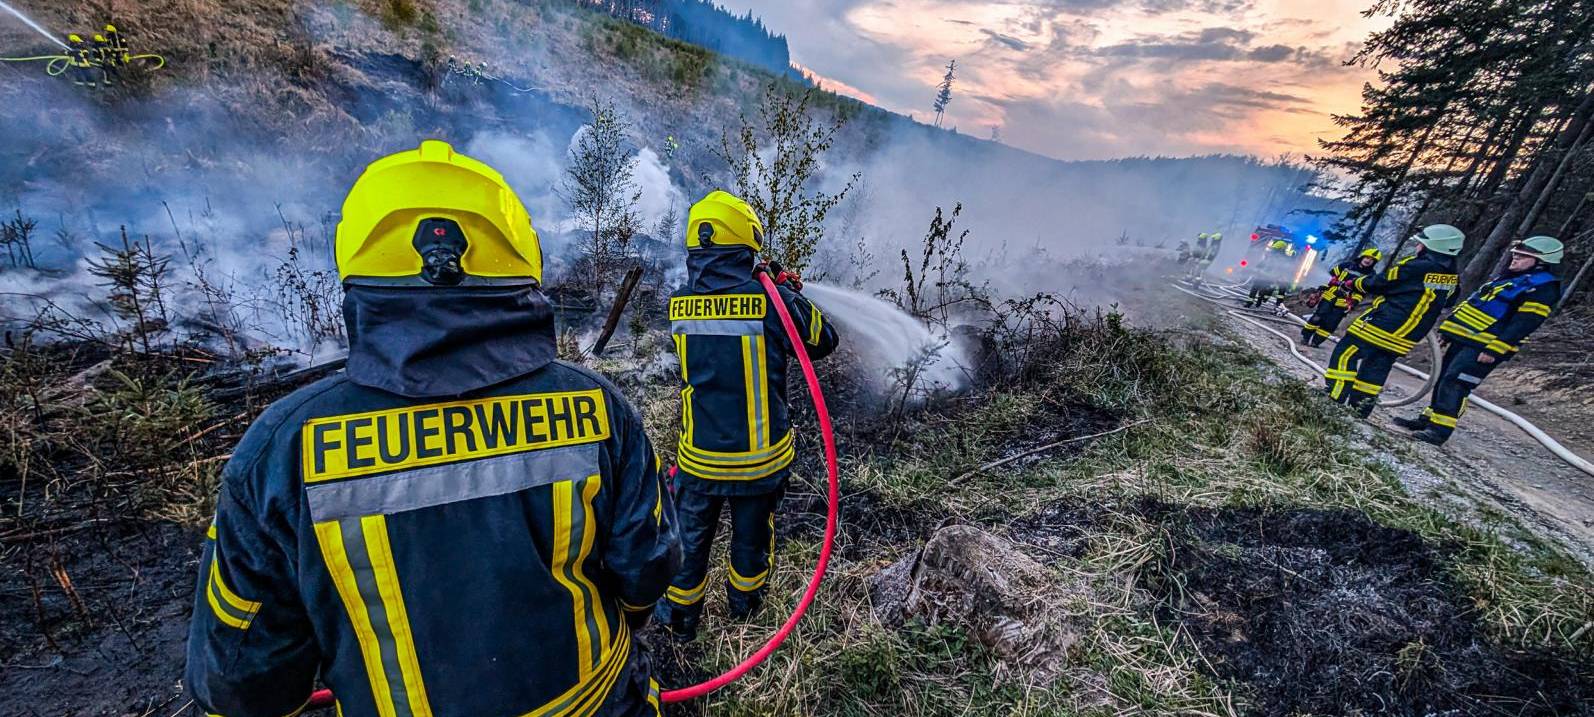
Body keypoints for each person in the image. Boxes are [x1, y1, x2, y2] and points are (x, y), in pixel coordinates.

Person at [185, 140, 680, 717]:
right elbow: (645, 571)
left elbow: (241, 683)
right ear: (518, 256)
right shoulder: (597, 408)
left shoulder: (281, 451)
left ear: (360, 270)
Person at [654, 191, 839, 642]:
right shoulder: (771, 301)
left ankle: (680, 625)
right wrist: (781, 289)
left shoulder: (679, 304)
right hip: (759, 462)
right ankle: (745, 612)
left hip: (698, 461)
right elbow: (824, 339)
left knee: (691, 544)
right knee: (751, 544)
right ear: (746, 243)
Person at [1393, 236, 1564, 445]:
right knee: (1444, 377)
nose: (1515, 258)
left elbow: (1524, 323)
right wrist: (1449, 332)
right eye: (1516, 254)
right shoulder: (1509, 279)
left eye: (1523, 256)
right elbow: (1475, 306)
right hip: (1466, 340)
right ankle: (1428, 420)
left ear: (1541, 262)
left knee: (1456, 382)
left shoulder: (1543, 288)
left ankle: (1439, 431)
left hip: (1485, 347)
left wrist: (1495, 349)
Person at [1324, 224, 1464, 418]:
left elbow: (1381, 282)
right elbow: (1449, 300)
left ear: (1431, 247)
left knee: (1345, 353)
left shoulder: (1416, 266)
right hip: (1409, 334)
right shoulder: (1451, 277)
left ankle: (1333, 397)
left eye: (1421, 243)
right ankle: (1359, 410)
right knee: (1376, 367)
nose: (1417, 247)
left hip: (1385, 323)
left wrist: (1352, 284)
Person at [1301, 247, 1382, 346]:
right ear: (1363, 256)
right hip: (1329, 296)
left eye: (1372, 259)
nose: (1368, 260)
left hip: (1344, 302)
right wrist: (1320, 290)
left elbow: (1363, 292)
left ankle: (1316, 342)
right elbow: (1330, 276)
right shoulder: (1346, 265)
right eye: (1368, 257)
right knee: (1317, 317)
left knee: (1330, 324)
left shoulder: (1371, 275)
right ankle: (1306, 337)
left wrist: (1354, 302)